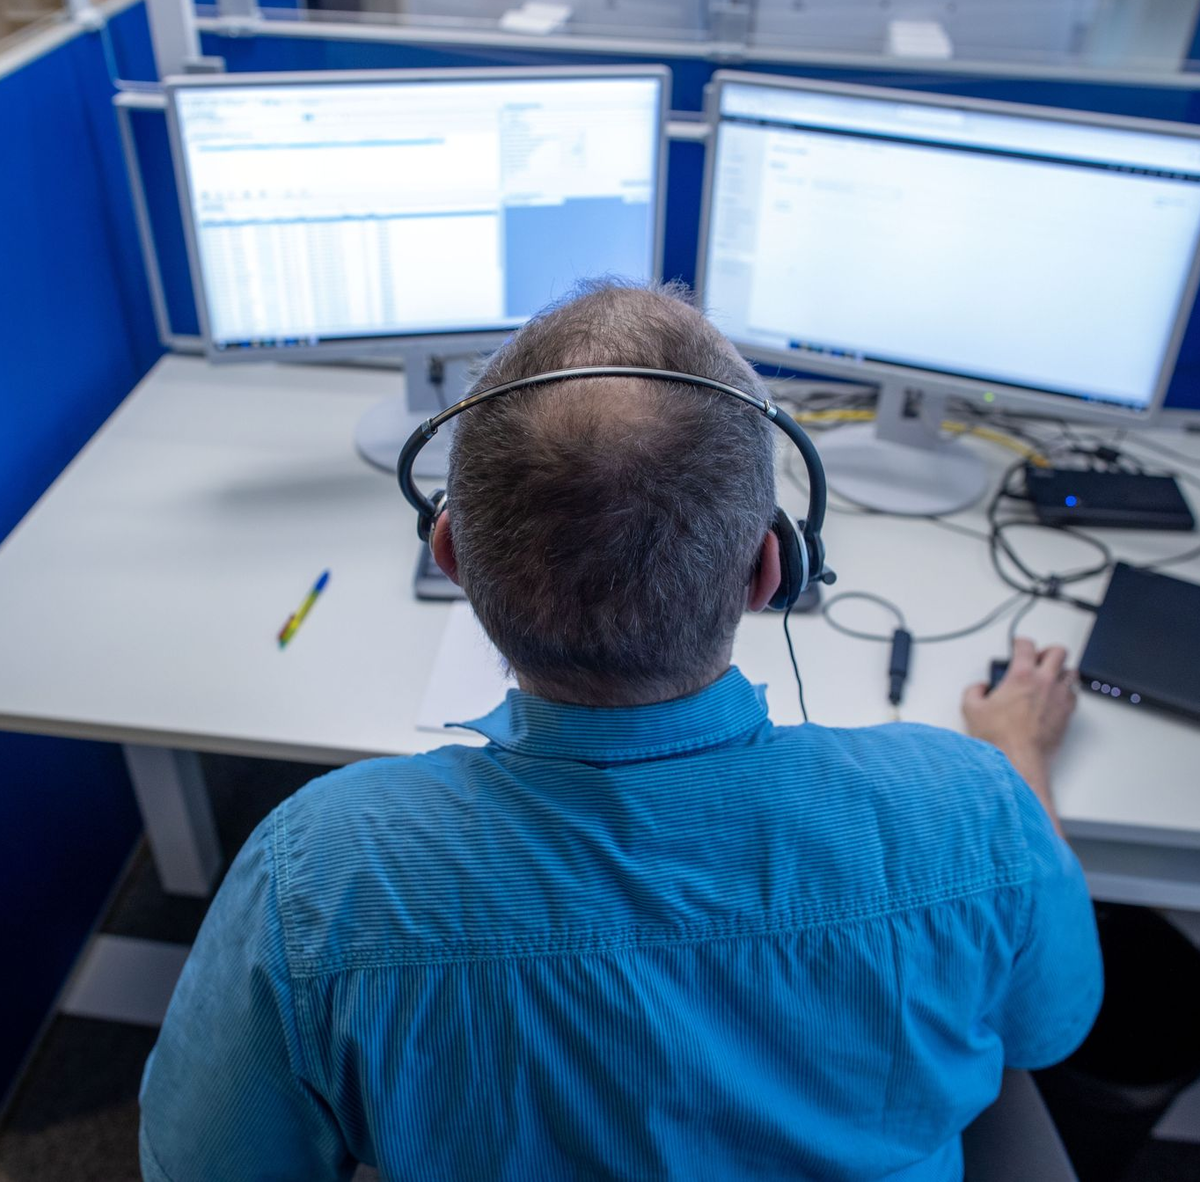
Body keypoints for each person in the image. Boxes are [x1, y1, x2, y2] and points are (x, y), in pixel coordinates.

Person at [139, 281, 1101, 1181]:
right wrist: (1020, 753)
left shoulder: (320, 877)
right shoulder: (973, 811)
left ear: (452, 555)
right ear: (774, 570)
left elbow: (203, 1164)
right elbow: (1051, 1027)